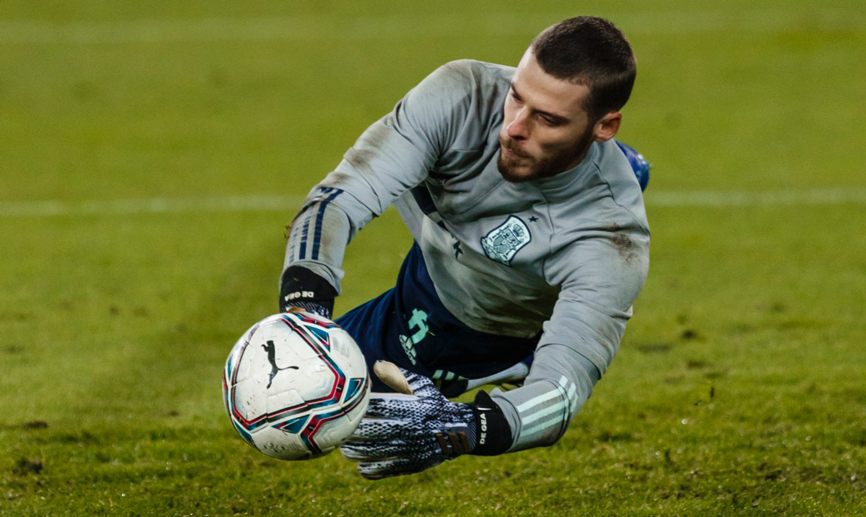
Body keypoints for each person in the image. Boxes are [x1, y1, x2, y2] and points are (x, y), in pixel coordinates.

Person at [279, 16, 650, 479]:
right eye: (517, 94)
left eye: (548, 119)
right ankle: (600, 161)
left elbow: (559, 395)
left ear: (605, 125)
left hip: (479, 327)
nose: (513, 127)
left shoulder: (611, 240)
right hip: (433, 262)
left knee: (303, 409)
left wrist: (464, 427)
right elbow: (341, 197)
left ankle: (602, 181)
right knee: (289, 370)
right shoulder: (462, 94)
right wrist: (305, 308)